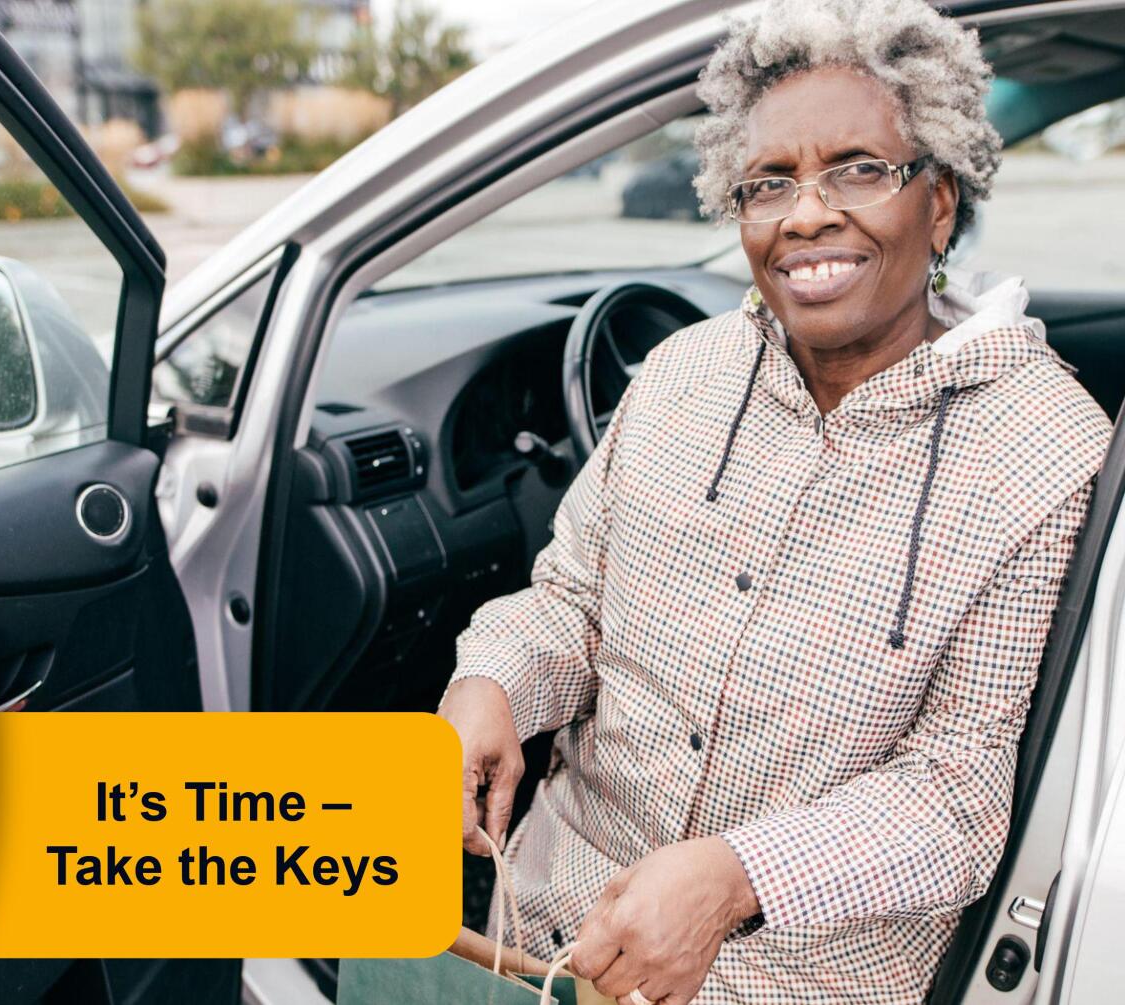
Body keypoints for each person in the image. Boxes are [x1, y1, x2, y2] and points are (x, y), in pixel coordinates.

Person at [439, 1, 1112, 1002]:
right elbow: (573, 597)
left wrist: (734, 877)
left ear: (939, 201)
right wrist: (489, 682)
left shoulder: (1047, 452)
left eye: (859, 169)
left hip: (785, 979)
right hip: (536, 936)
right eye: (771, 183)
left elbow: (961, 792)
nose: (806, 216)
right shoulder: (679, 373)